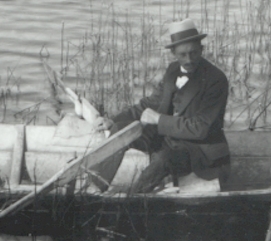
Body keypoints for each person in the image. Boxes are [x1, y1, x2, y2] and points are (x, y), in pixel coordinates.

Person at [96, 19, 230, 193]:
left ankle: (135, 198)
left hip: (199, 150)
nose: (189, 59)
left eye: (194, 53)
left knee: (163, 159)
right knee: (120, 131)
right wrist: (112, 120)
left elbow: (200, 128)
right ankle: (96, 188)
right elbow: (149, 104)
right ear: (173, 53)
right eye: (183, 54)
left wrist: (159, 119)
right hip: (168, 139)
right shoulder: (172, 71)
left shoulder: (216, 80)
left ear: (202, 49)